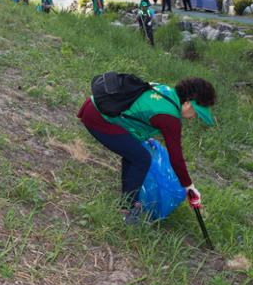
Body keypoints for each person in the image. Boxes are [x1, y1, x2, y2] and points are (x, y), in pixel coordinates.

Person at [77, 77, 216, 224]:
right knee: (142, 159)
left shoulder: (166, 91)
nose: (194, 117)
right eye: (196, 112)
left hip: (93, 106)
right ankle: (127, 210)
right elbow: (176, 159)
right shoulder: (170, 118)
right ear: (187, 103)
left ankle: (128, 200)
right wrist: (189, 187)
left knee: (136, 153)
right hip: (98, 118)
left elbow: (138, 112)